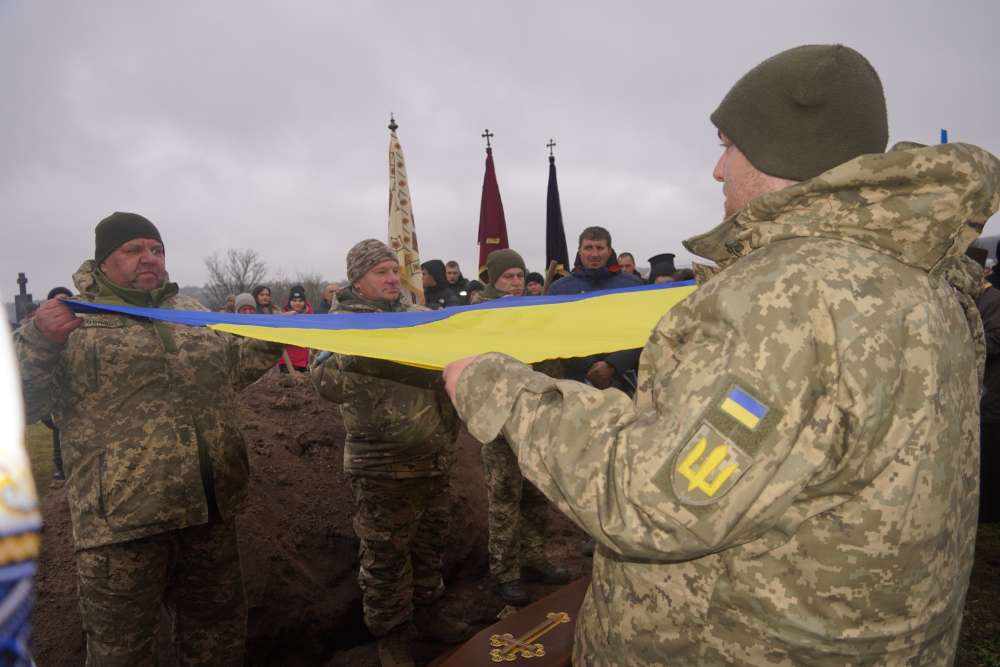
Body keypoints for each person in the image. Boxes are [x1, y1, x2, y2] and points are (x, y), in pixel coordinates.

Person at [442, 44, 1000, 665]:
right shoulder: (922, 280)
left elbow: (654, 501)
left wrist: (500, 387)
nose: (717, 170)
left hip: (735, 643)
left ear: (778, 150)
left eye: (727, 146)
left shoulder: (789, 295)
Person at [14, 211, 282, 665]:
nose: (149, 258)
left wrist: (274, 337)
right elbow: (24, 403)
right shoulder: (70, 322)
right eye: (133, 249)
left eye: (156, 249)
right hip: (121, 526)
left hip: (209, 515)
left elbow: (229, 370)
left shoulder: (191, 314)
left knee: (217, 641)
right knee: (122, 654)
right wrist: (40, 342)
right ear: (102, 261)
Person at [312, 240, 468, 667]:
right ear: (357, 279)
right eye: (381, 272)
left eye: (394, 270)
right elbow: (325, 384)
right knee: (385, 557)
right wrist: (368, 350)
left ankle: (430, 614)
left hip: (433, 456)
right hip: (381, 466)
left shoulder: (418, 316)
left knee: (430, 545)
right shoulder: (339, 326)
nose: (392, 278)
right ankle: (393, 635)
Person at [477, 249, 570, 605]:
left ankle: (533, 558)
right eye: (508, 277)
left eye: (520, 275)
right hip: (501, 423)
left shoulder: (534, 311)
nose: (516, 283)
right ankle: (505, 572)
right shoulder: (480, 316)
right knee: (504, 500)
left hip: (536, 420)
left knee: (535, 495)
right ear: (493, 280)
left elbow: (550, 361)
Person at [549, 227, 644, 394]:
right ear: (579, 251)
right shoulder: (559, 290)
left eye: (600, 248)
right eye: (588, 248)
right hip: (577, 382)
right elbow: (556, 333)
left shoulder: (632, 285)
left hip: (625, 379)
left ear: (609, 251)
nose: (594, 254)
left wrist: (613, 365)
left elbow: (643, 330)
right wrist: (589, 366)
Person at [971, 247, 1000, 523]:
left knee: (990, 452)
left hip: (991, 392)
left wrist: (966, 343)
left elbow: (997, 339)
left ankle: (989, 511)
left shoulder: (994, 300)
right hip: (978, 392)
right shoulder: (974, 298)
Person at [41, 286, 73, 481]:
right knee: (57, 428)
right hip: (55, 389)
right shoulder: (45, 330)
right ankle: (60, 467)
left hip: (76, 390)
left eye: (67, 300)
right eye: (58, 300)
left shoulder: (81, 325)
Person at [278, 285, 313, 373]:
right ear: (289, 302)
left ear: (304, 302)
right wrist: (284, 317)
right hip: (286, 362)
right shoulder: (282, 315)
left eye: (300, 301)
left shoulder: (311, 316)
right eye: (294, 300)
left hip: (306, 362)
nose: (297, 303)